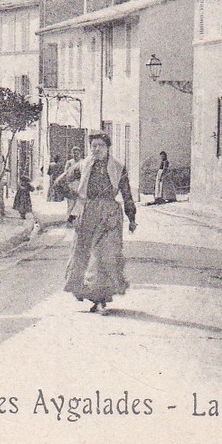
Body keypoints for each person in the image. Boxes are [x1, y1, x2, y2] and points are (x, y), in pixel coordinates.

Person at [57, 132, 138, 314]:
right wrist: (76, 197)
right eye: (93, 145)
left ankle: (101, 299)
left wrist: (132, 218)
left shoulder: (118, 167)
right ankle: (93, 297)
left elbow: (127, 194)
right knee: (84, 256)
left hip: (110, 216)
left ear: (108, 147)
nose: (96, 149)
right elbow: (59, 183)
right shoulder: (83, 165)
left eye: (100, 145)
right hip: (87, 214)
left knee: (104, 256)